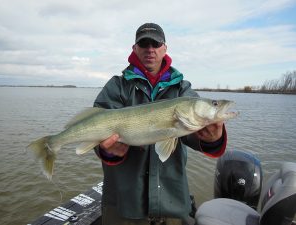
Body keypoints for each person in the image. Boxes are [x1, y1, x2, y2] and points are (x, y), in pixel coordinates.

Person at [93, 23, 227, 225]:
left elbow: (191, 133)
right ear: (134, 48)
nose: (150, 49)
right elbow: (97, 132)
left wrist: (212, 139)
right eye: (144, 43)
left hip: (172, 205)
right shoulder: (116, 86)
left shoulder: (183, 89)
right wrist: (107, 151)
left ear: (165, 48)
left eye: (155, 43)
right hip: (123, 205)